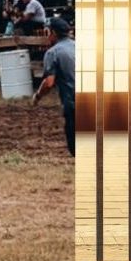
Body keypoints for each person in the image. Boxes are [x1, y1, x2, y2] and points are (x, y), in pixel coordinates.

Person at [33, 17, 75, 156]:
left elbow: (49, 82)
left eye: (47, 32)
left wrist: (38, 96)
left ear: (54, 33)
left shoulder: (53, 53)